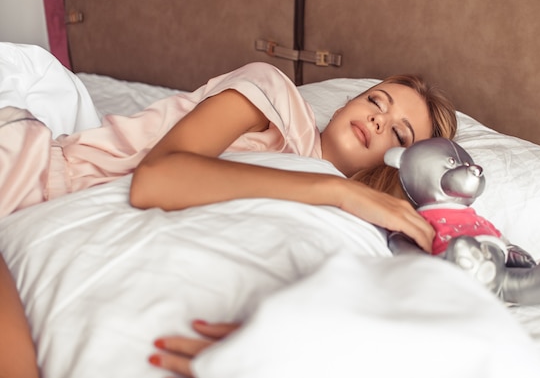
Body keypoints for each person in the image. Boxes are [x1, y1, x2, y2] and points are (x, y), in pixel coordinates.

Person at [0, 61, 456, 378]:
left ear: (397, 163)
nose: (378, 120)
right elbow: (156, 178)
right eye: (375, 101)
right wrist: (338, 190)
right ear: (341, 105)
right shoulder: (274, 94)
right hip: (28, 167)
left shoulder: (349, 225)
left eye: (398, 131)